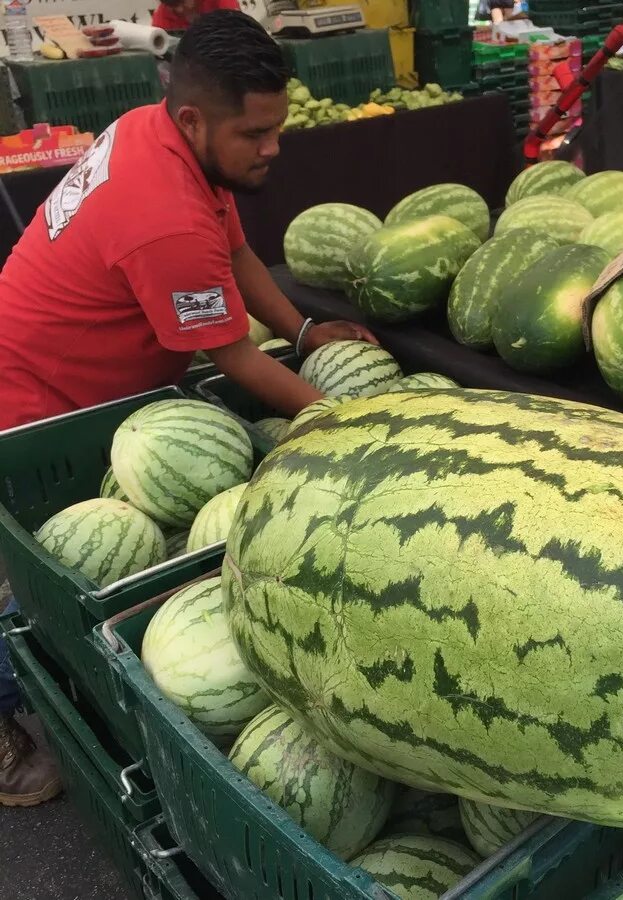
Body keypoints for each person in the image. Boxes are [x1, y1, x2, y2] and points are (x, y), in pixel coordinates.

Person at [0, 9, 375, 805]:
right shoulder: (161, 211)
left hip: (91, 383)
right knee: (24, 596)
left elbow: (233, 251)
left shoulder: (165, 135)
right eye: (256, 135)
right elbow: (232, 354)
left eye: (277, 128)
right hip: (34, 401)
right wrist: (347, 421)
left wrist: (303, 329)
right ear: (197, 119)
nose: (274, 147)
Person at [153, 0, 240, 31]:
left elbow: (237, 27)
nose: (179, 9)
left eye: (182, 1)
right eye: (173, 5)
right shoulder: (161, 14)